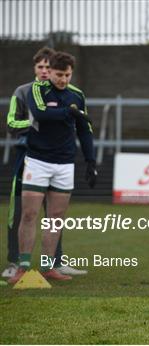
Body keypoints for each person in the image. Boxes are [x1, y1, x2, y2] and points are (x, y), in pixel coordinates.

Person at [8, 51, 97, 284]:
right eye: (59, 74)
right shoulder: (37, 90)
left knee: (55, 218)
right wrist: (67, 112)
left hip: (65, 163)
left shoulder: (77, 95)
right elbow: (40, 113)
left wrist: (91, 161)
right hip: (37, 161)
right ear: (50, 73)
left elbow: (84, 131)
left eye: (67, 75)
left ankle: (48, 267)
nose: (63, 80)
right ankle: (22, 267)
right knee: (29, 214)